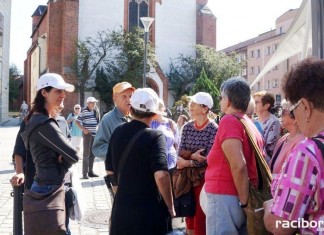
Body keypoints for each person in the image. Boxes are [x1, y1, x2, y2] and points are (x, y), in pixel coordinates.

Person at [263, 58, 324, 234]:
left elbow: (282, 226)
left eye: (293, 108)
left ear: (305, 107)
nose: (293, 116)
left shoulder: (307, 153)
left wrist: (269, 208)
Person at [106, 88, 175, 235]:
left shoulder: (117, 131)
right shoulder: (156, 136)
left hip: (122, 211)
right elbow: (161, 175)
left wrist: (121, 193)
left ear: (131, 108)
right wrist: (170, 206)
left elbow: (109, 170)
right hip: (149, 212)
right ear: (155, 114)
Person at [20, 73, 79, 235]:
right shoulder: (43, 123)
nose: (63, 95)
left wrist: (62, 157)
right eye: (58, 91)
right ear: (44, 93)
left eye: (63, 91)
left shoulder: (37, 119)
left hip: (45, 184)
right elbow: (74, 154)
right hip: (49, 188)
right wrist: (63, 161)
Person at [204, 77, 264, 235]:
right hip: (239, 196)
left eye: (221, 97)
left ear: (228, 100)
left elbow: (239, 165)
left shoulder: (229, 121)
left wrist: (244, 203)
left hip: (226, 198)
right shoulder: (248, 123)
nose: (220, 101)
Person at [176, 92, 218, 235]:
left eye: (194, 104)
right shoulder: (187, 127)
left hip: (203, 181)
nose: (190, 106)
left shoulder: (213, 129)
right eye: (190, 103)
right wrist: (192, 156)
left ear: (205, 108)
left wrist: (187, 162)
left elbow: (207, 158)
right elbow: (180, 151)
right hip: (188, 180)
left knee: (200, 218)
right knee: (189, 216)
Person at [92, 82, 135, 159]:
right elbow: (98, 148)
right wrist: (120, 150)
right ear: (115, 98)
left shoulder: (136, 117)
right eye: (124, 96)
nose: (129, 100)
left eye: (130, 96)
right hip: (118, 169)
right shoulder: (107, 119)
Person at [268, 99, 305, 174]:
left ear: (296, 118)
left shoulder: (301, 143)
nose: (280, 114)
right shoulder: (284, 138)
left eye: (284, 112)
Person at [151, 98, 179, 171]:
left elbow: (177, 143)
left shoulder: (170, 123)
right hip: (155, 160)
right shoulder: (150, 123)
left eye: (160, 107)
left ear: (163, 108)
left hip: (171, 161)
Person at [76, 97, 100, 179]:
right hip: (87, 135)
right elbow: (77, 122)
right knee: (86, 154)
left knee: (92, 154)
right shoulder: (83, 111)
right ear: (88, 103)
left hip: (95, 134)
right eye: (92, 102)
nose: (94, 104)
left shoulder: (96, 110)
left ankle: (90, 172)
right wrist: (84, 129)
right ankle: (84, 173)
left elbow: (97, 122)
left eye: (95, 102)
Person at [254, 91, 281, 161]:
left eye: (256, 102)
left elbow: (270, 149)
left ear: (266, 106)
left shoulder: (274, 122)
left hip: (264, 164)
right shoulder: (254, 121)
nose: (254, 105)